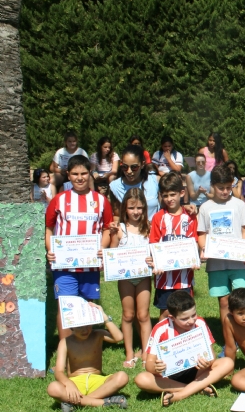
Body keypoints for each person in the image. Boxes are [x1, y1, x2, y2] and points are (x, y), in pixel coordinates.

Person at [45, 155, 112, 339]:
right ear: (68, 175)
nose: (80, 177)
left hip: (89, 265)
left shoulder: (100, 200)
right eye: (75, 174)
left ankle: (83, 352)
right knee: (66, 307)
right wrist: (50, 250)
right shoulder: (59, 200)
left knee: (86, 306)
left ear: (89, 173)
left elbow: (107, 228)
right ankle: (65, 352)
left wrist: (103, 248)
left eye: (83, 173)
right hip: (64, 266)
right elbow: (49, 228)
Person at [134, 291, 234, 407]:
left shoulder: (200, 323)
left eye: (193, 315)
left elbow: (211, 355)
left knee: (228, 362)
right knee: (141, 379)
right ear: (171, 317)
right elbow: (149, 364)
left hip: (198, 371)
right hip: (169, 376)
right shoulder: (160, 329)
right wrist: (156, 367)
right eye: (184, 318)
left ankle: (179, 395)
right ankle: (196, 388)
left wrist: (207, 362)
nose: (191, 321)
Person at [46, 302, 128, 412]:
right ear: (72, 326)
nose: (85, 330)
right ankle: (103, 402)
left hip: (97, 380)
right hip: (75, 382)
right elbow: (59, 371)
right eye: (80, 327)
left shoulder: (98, 334)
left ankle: (77, 402)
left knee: (122, 377)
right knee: (53, 388)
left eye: (88, 325)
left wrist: (104, 317)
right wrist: (69, 384)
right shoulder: (65, 342)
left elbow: (119, 337)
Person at [197, 165, 245, 322]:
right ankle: (228, 339)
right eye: (221, 188)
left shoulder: (239, 204)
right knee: (223, 302)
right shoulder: (205, 207)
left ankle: (244, 336)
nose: (225, 191)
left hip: (238, 261)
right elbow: (202, 234)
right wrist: (203, 248)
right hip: (217, 264)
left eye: (228, 187)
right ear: (212, 185)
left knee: (243, 300)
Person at [109, 188, 152, 368]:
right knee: (128, 315)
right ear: (125, 208)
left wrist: (153, 258)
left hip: (143, 277)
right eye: (131, 208)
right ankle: (129, 352)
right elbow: (111, 253)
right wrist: (112, 235)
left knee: (143, 315)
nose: (136, 212)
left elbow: (155, 249)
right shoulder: (120, 229)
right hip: (125, 278)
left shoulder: (148, 228)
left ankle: (146, 352)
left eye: (139, 208)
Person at [147, 171, 199, 319]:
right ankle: (163, 340)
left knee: (186, 311)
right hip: (164, 277)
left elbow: (194, 242)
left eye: (172, 194)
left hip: (184, 276)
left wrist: (194, 259)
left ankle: (183, 340)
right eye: (165, 195)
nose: (169, 199)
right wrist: (154, 260)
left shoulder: (190, 217)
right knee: (165, 313)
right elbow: (153, 243)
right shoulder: (158, 217)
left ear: (181, 193)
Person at [109, 144, 160, 221]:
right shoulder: (115, 187)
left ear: (142, 164)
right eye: (125, 167)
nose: (129, 171)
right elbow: (117, 216)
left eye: (134, 167)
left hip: (154, 230)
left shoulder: (155, 181)